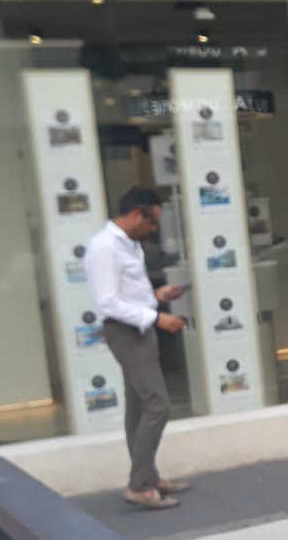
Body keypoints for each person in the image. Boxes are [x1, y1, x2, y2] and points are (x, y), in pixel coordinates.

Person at [85, 186, 188, 510]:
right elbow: (108, 303)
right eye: (151, 222)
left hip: (139, 328)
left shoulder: (130, 245)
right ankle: (139, 486)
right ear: (135, 215)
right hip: (126, 333)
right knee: (158, 404)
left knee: (139, 407)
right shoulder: (104, 247)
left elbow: (127, 293)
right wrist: (157, 319)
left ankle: (149, 475)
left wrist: (157, 296)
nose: (153, 230)